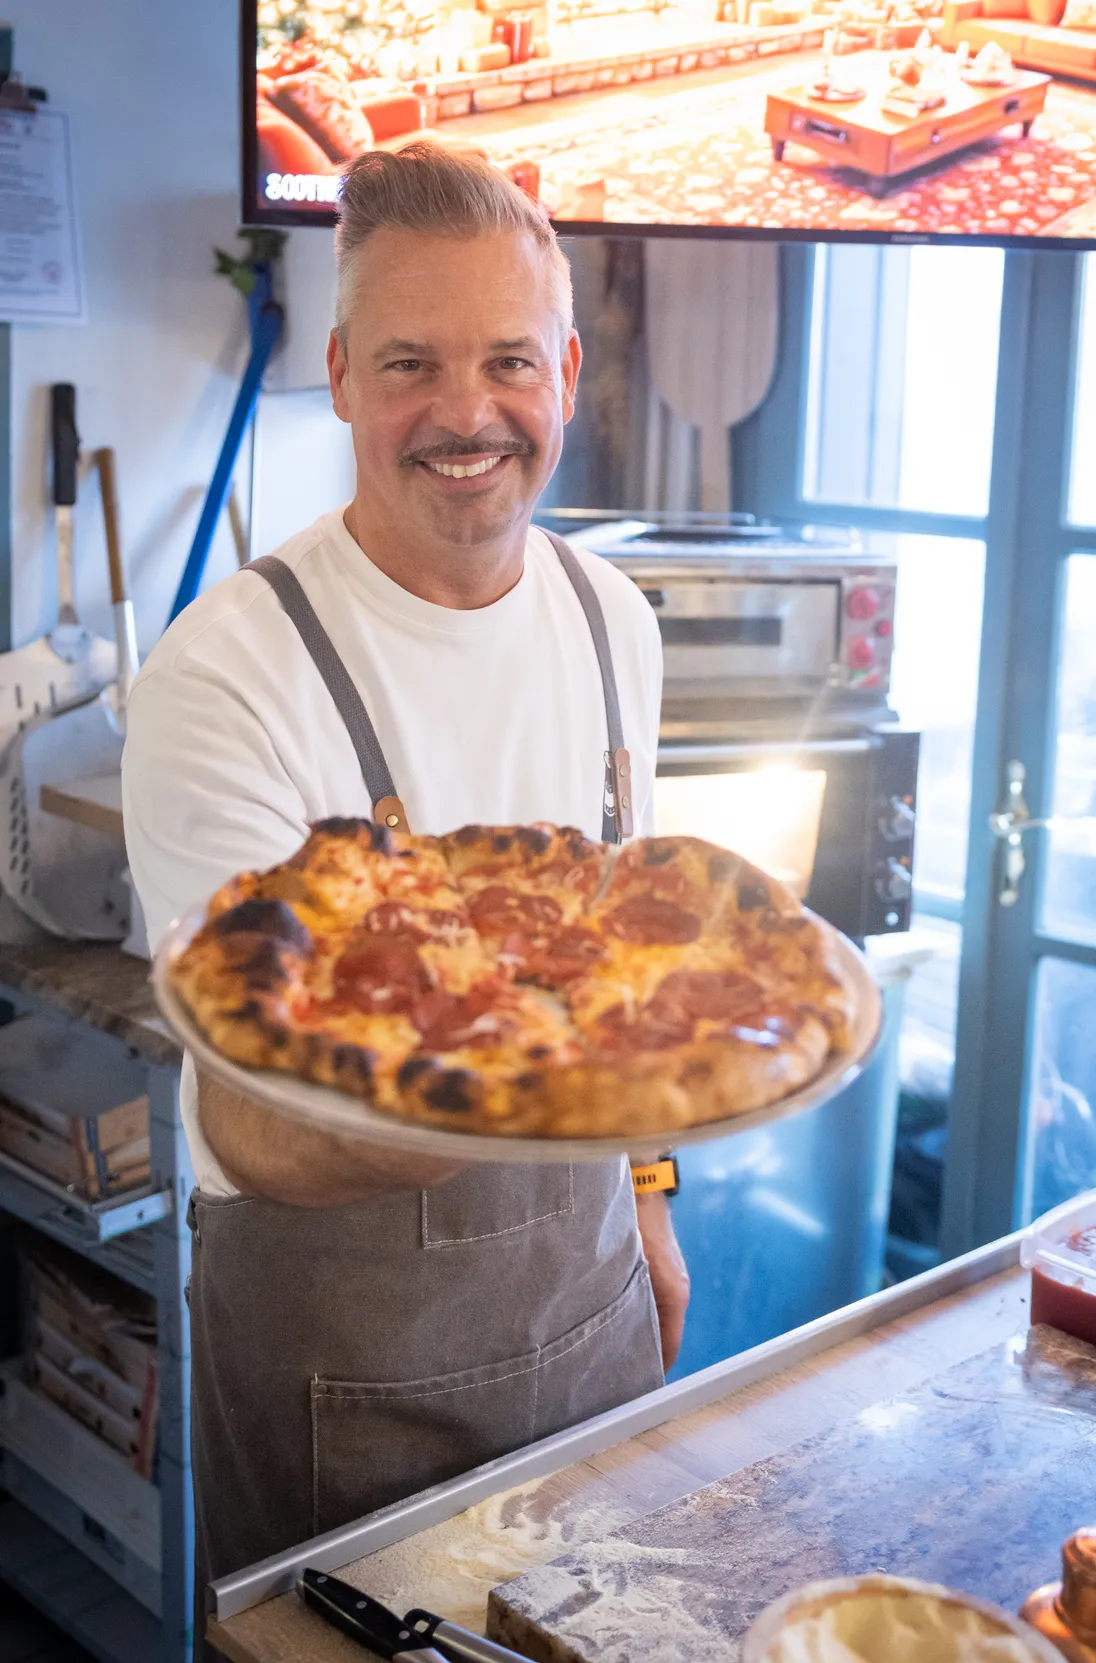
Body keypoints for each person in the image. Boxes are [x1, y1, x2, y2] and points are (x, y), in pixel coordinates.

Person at [122, 142, 690, 1655]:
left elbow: (623, 945)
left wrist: (647, 1201)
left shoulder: (610, 616)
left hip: (598, 1317)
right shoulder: (225, 678)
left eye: (509, 358)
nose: (467, 412)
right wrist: (510, 1076)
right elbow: (246, 1115)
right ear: (340, 376)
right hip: (337, 1380)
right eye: (410, 362)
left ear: (564, 368)